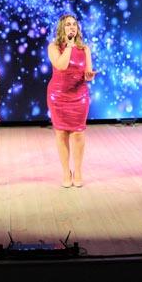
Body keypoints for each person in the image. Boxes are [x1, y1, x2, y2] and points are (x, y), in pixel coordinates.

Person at [47, 14, 96, 188]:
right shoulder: (53, 47)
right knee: (61, 133)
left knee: (78, 134)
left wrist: (89, 75)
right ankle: (65, 172)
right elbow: (61, 65)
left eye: (74, 24)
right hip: (58, 96)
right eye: (68, 24)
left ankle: (78, 171)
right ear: (62, 28)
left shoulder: (85, 48)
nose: (72, 27)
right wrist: (68, 46)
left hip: (79, 96)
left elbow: (88, 73)